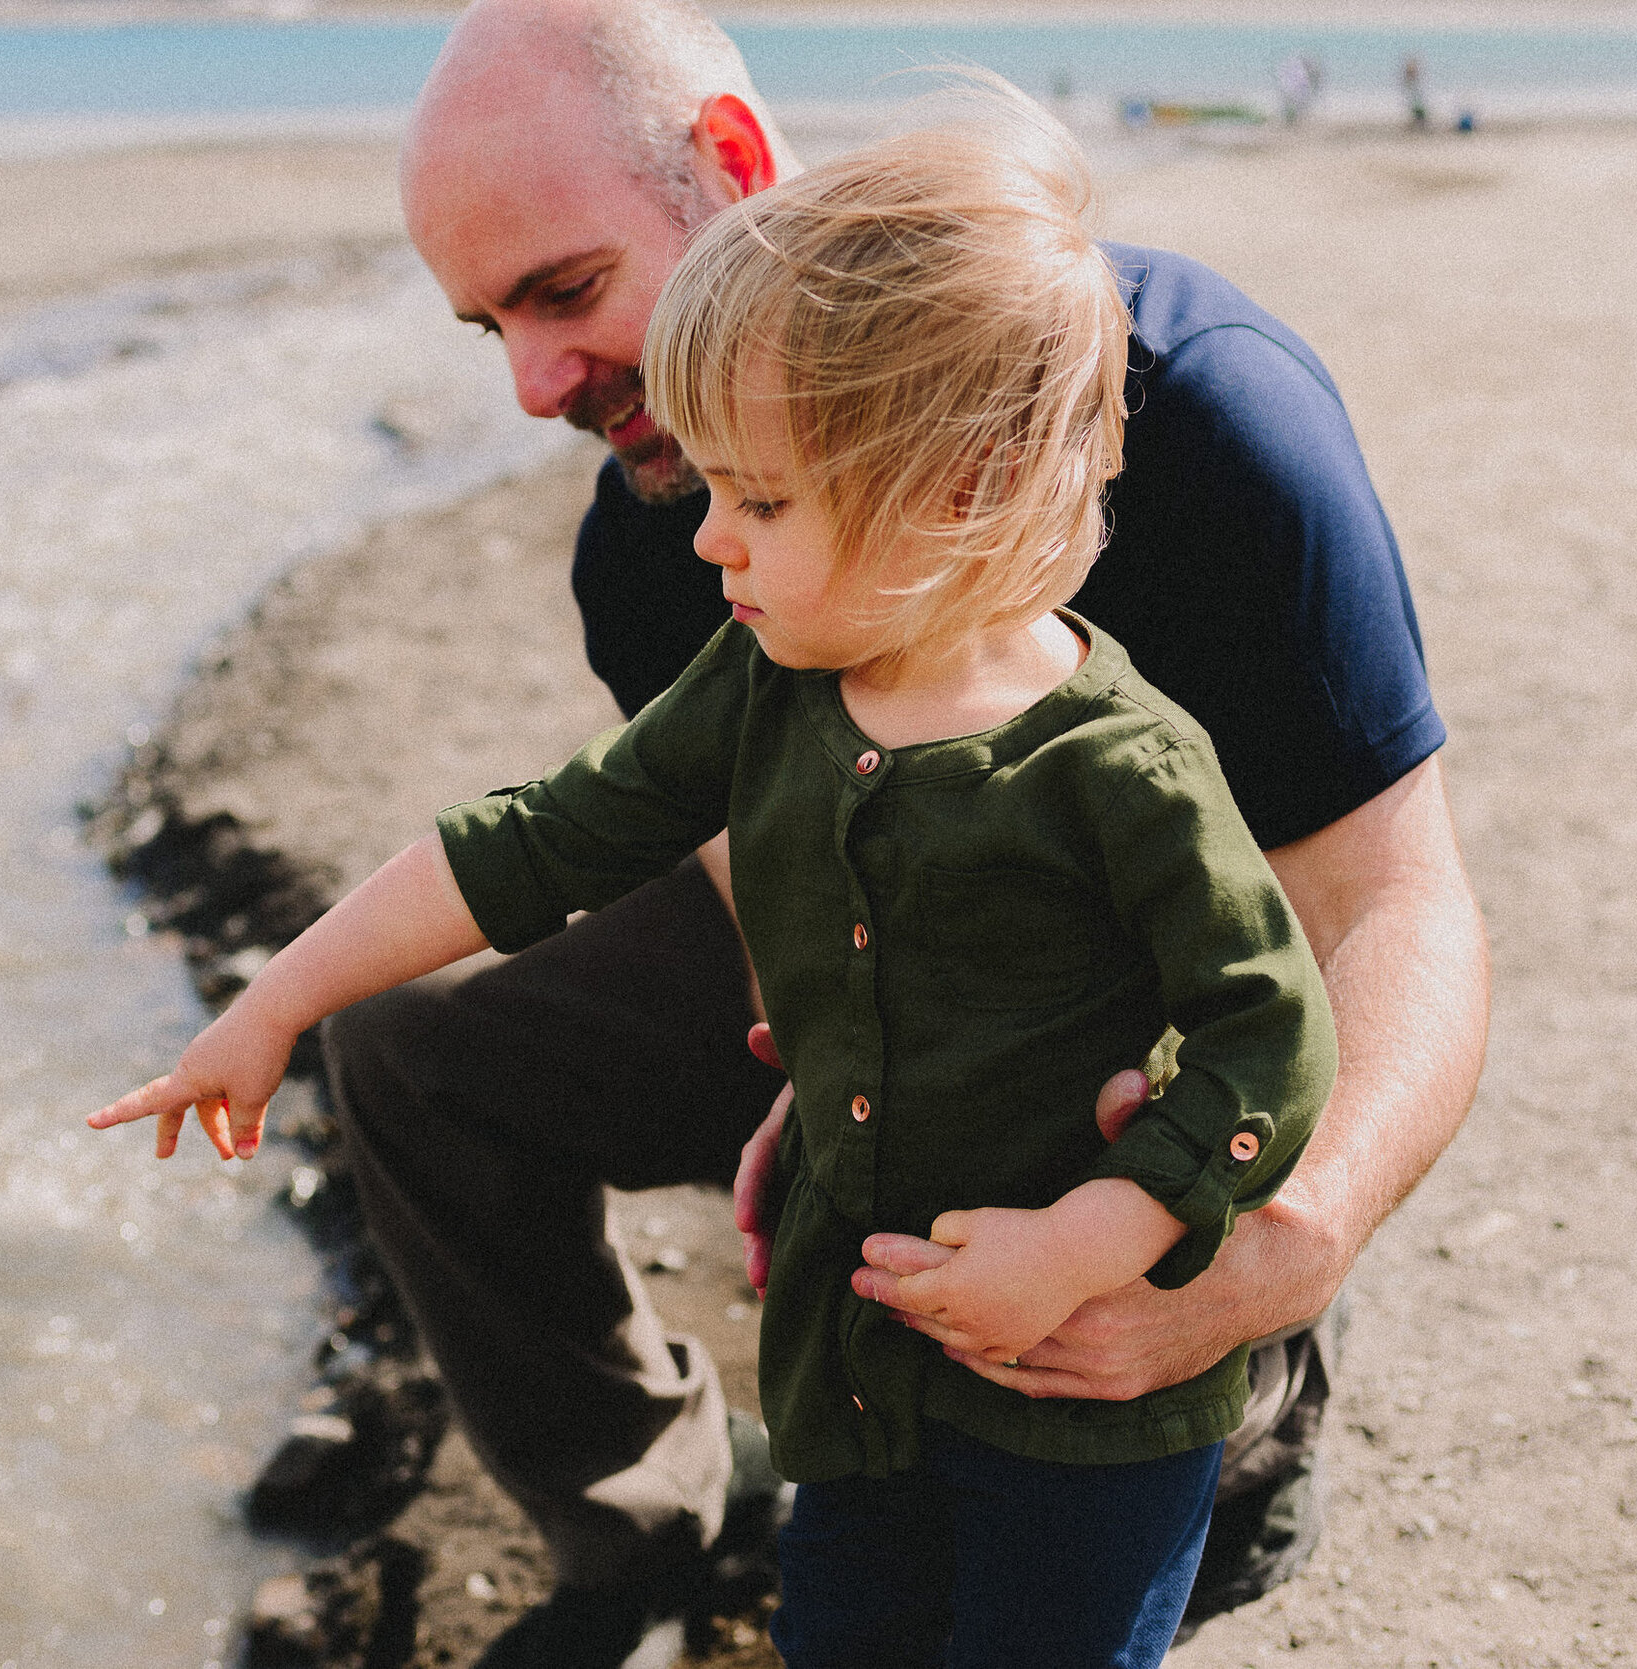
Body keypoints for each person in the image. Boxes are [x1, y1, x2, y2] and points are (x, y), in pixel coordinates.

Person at [302, 1, 1488, 1662]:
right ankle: (649, 1525)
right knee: (408, 1051)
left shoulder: (1197, 405)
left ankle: (1238, 1434)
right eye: (482, 325)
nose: (530, 384)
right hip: (887, 982)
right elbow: (749, 874)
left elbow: (1390, 903)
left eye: (563, 292)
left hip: (1153, 1077)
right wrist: (825, 1079)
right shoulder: (650, 536)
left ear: (730, 163)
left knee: (1096, 1476)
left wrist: (1285, 1246)